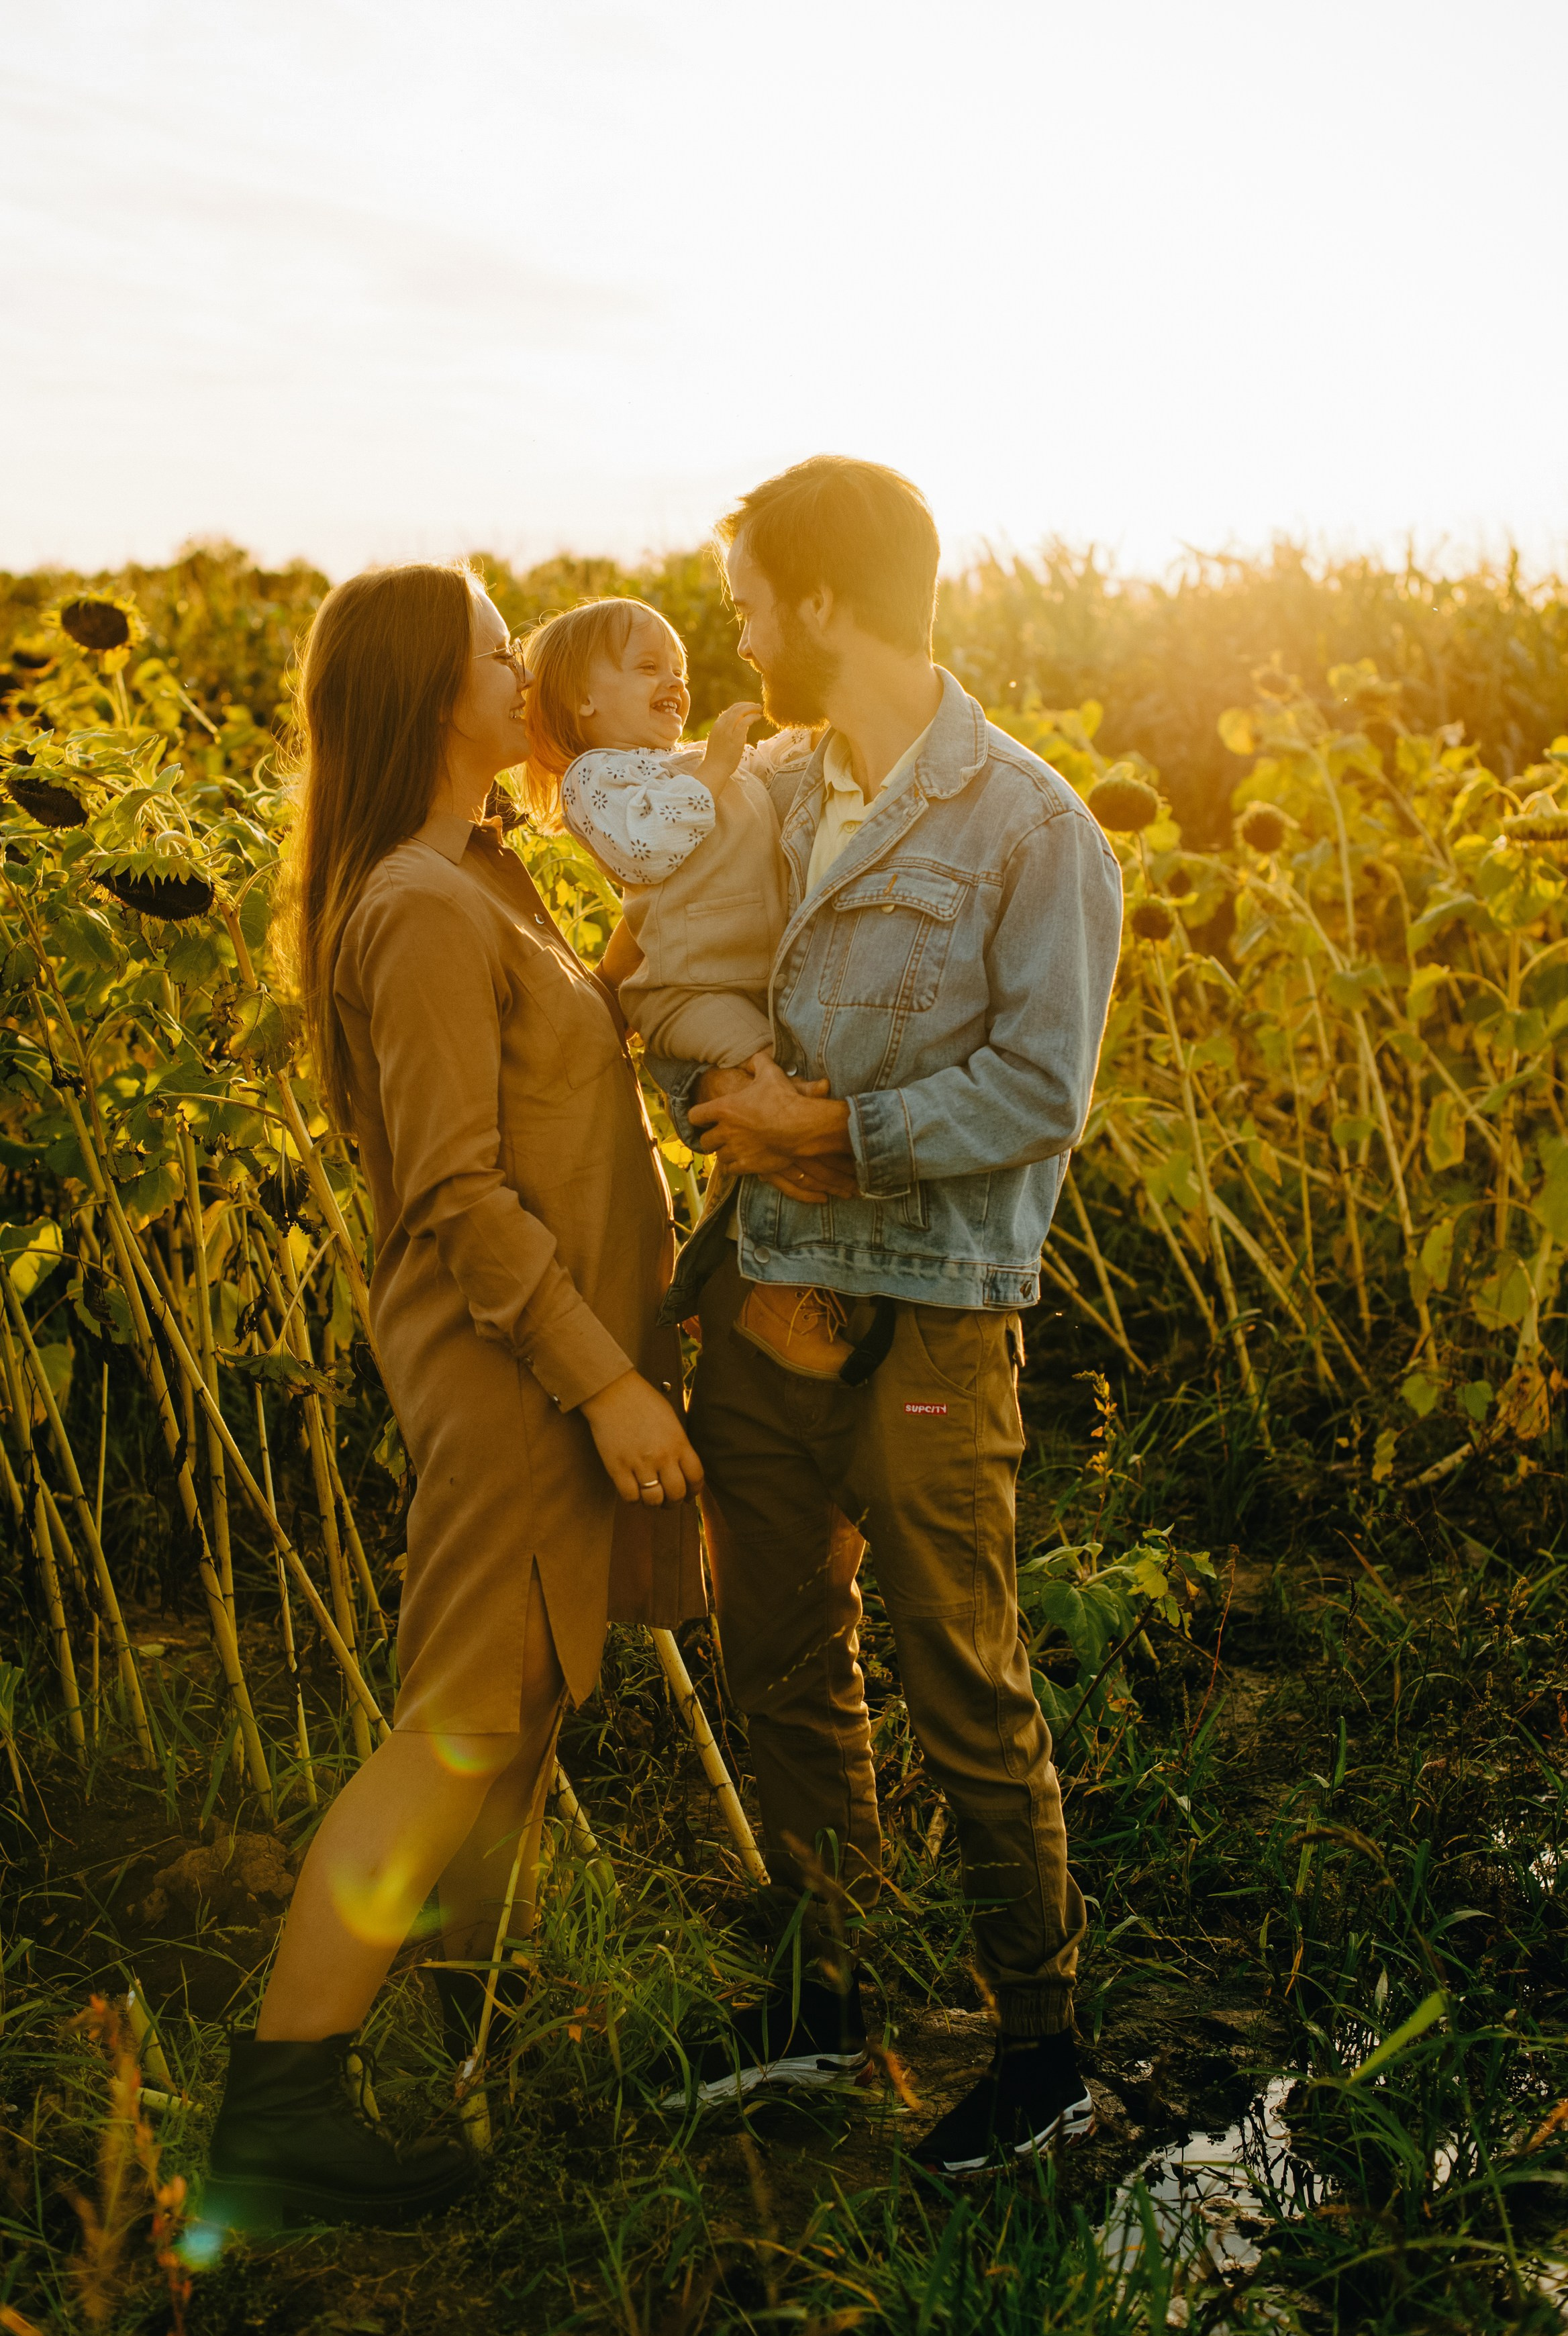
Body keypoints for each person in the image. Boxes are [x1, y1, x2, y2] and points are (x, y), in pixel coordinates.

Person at [205, 563, 703, 2228]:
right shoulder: (419, 905)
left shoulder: (489, 875)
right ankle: (278, 2113)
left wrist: (626, 980)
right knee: (461, 1719)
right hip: (512, 1368)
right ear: (434, 695)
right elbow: (454, 1189)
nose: (526, 678)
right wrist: (608, 1385)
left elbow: (547, 1086)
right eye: (500, 656)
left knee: (523, 1706)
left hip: (552, 1353)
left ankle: (473, 2032)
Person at [648, 456, 1124, 2175]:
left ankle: (1038, 2043)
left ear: (825, 604)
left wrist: (834, 1132)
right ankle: (835, 1996)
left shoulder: (1030, 826)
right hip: (765, 1288)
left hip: (930, 1320)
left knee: (956, 1664)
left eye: (751, 601)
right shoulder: (766, 794)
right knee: (780, 1657)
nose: (741, 631)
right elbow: (675, 963)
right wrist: (721, 1077)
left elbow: (1041, 1090)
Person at [527, 595, 838, 1376]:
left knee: (777, 1114)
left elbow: (771, 773)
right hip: (687, 993)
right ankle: (765, 1292)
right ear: (584, 699)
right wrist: (718, 765)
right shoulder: (595, 781)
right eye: (645, 666)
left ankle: (718, 1285)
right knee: (768, 1096)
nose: (673, 679)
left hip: (748, 981)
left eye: (679, 668)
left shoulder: (685, 761)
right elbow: (645, 846)